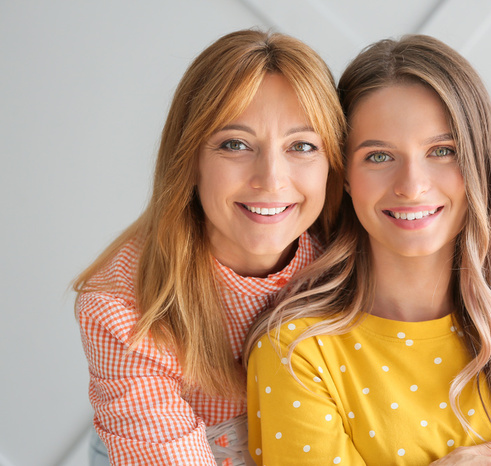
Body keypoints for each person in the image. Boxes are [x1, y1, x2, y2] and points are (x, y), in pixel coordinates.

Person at [246, 35, 491, 465]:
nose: (412, 185)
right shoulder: (296, 352)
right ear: (344, 174)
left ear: (479, 166)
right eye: (379, 157)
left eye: (442, 151)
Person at [73, 30, 344, 465]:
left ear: (333, 162)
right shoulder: (120, 306)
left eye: (302, 146)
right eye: (235, 144)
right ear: (190, 159)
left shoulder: (349, 252)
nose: (271, 178)